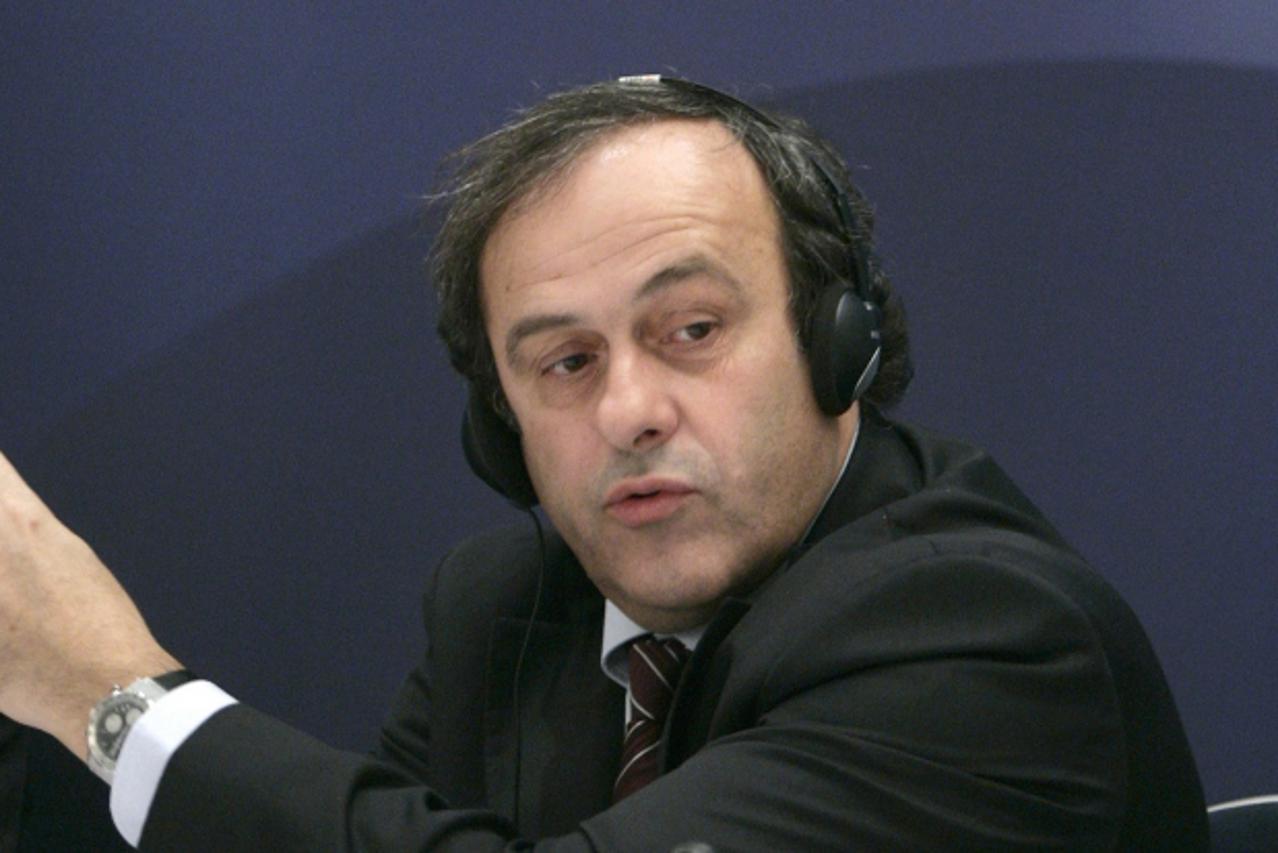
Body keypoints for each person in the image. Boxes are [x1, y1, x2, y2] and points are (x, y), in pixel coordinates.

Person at [0, 77, 1207, 850]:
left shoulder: (987, 637)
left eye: (691, 331)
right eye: (564, 363)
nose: (630, 409)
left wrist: (112, 696)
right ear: (498, 428)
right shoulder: (505, 612)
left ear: (841, 340)